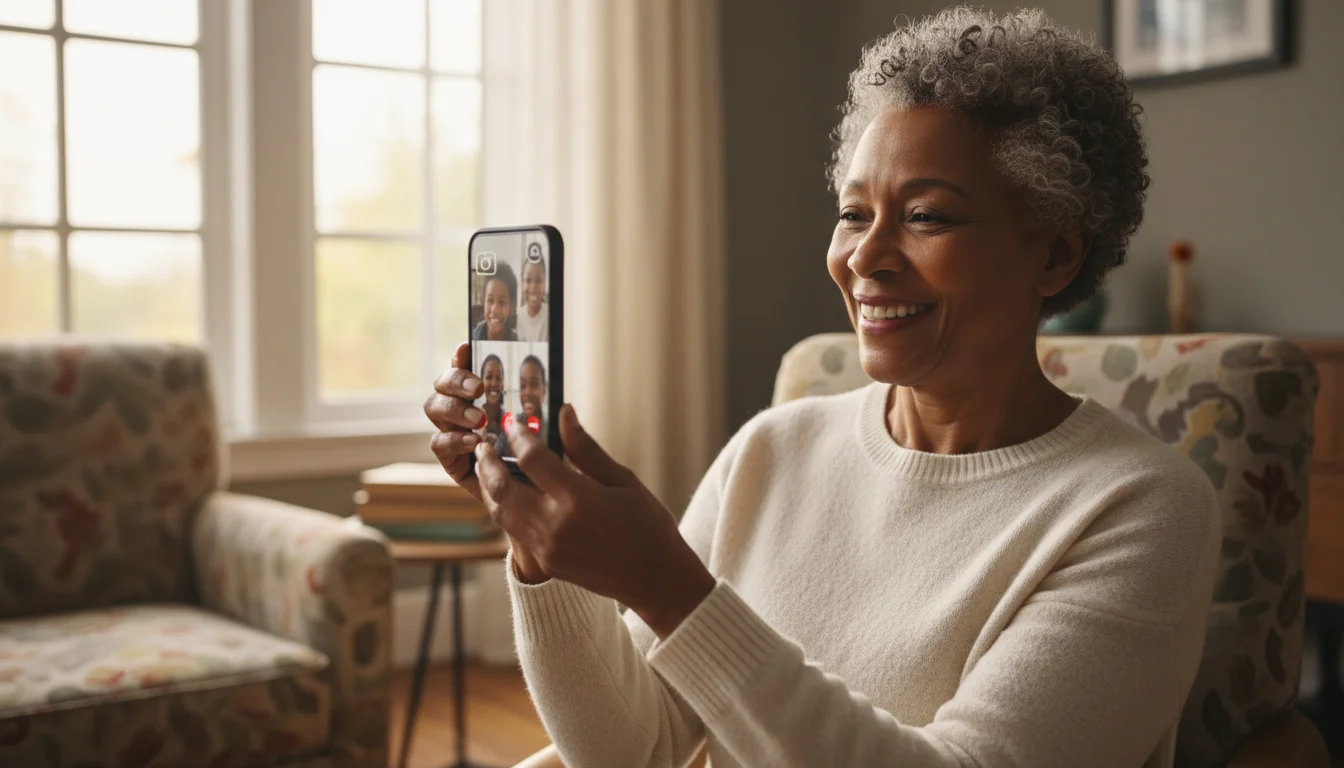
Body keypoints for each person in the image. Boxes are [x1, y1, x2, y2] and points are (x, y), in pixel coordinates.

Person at [424, 8, 1218, 768]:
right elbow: (632, 752)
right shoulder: (773, 448)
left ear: (1054, 257)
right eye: (852, 213)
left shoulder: (1141, 509)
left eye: (927, 217)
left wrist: (667, 589)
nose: (864, 257)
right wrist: (535, 538)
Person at [494, 355, 546, 459]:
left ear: (544, 389)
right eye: (523, 385)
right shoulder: (509, 431)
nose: (527, 392)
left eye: (534, 384)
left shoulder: (552, 431)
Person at [470, 262, 519, 341]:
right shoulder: (473, 339)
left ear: (511, 307)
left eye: (502, 302)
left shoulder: (517, 342)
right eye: (490, 300)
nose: (495, 309)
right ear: (484, 303)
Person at [516, 257, 549, 342]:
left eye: (538, 281)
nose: (533, 286)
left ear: (544, 283)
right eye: (528, 280)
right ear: (522, 283)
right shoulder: (516, 317)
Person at [479, 354, 505, 442]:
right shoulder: (474, 420)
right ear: (481, 381)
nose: (494, 383)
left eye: (498, 378)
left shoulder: (509, 422)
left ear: (503, 384)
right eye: (489, 377)